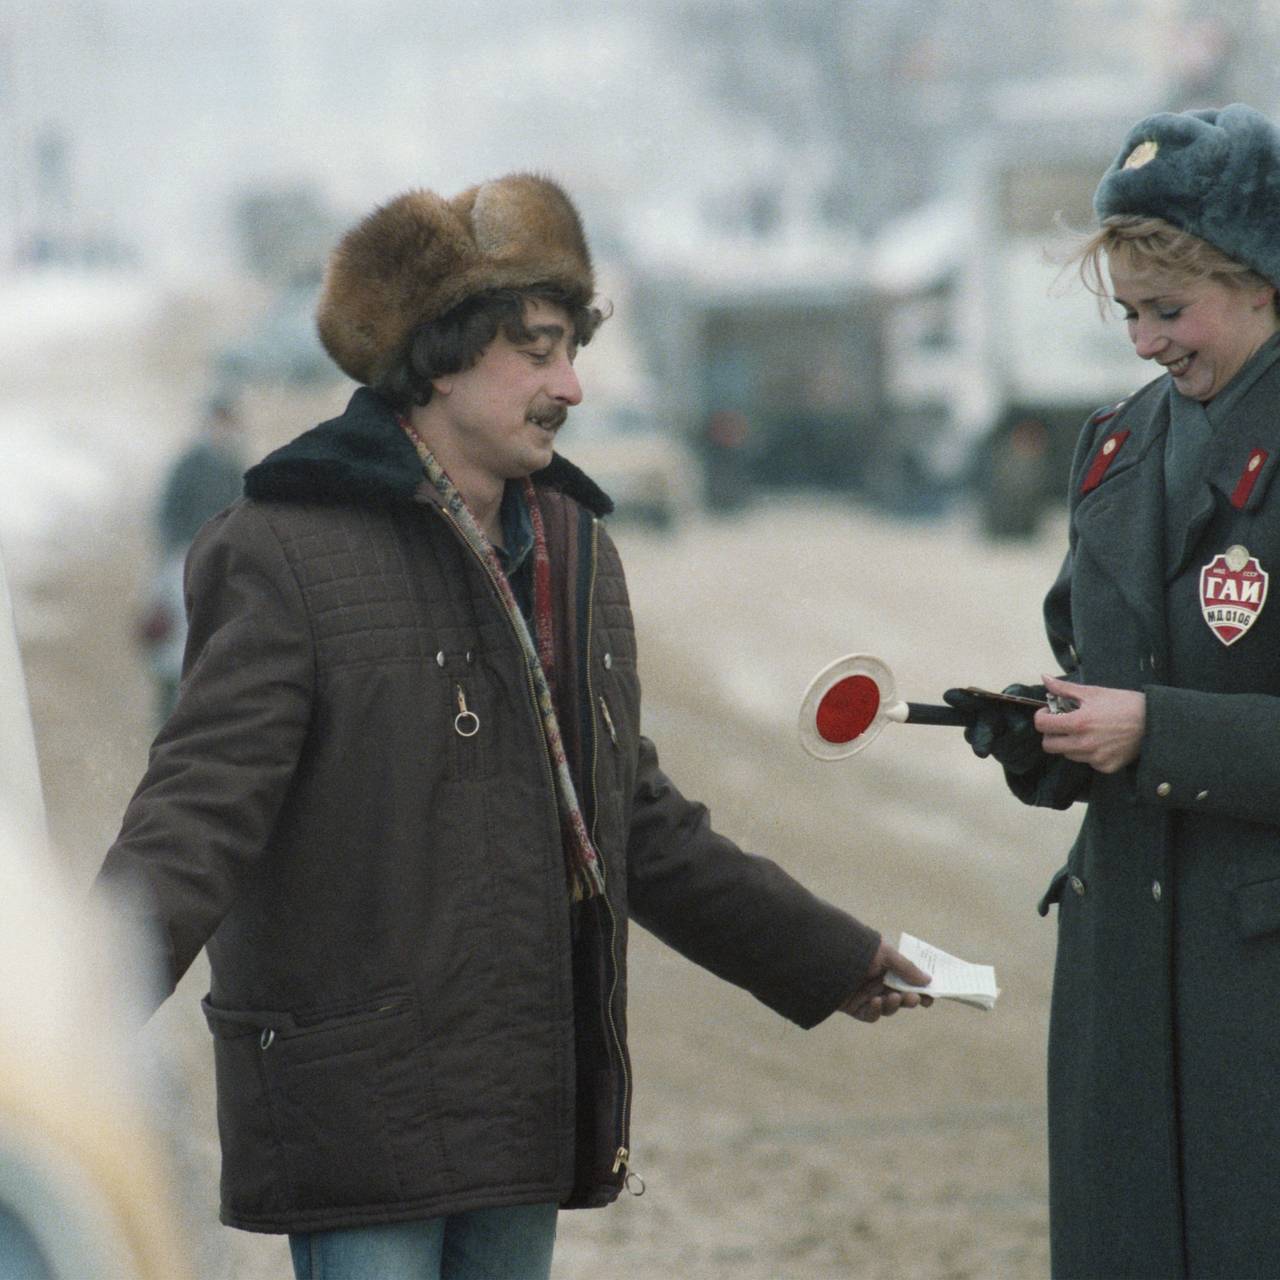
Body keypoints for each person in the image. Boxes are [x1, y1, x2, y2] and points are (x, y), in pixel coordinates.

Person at [94, 173, 932, 1280]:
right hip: (360, 1117)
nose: (570, 384)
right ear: (437, 353)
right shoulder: (283, 547)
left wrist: (829, 953)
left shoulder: (575, 547)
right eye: (535, 351)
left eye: (571, 347)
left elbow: (635, 820)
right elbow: (197, 815)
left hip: (519, 1108)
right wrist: (70, 1010)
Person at [944, 104, 1280, 1280]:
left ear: (1258, 280)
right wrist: (1043, 732)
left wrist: (1158, 731)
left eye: (1167, 310)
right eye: (1126, 311)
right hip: (1126, 977)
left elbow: (1157, 716)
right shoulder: (1115, 445)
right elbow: (1087, 660)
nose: (1143, 341)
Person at [135, 391, 248, 723]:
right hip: (181, 563)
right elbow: (167, 514)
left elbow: (241, 516)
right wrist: (174, 555)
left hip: (218, 564)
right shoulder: (189, 464)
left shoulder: (233, 465)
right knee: (174, 654)